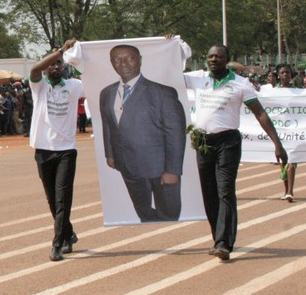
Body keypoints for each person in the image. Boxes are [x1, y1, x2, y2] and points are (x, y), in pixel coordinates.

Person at [182, 43, 288, 262]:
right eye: (210, 56)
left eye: (218, 57)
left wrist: (277, 143)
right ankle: (217, 239)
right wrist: (171, 45)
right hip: (202, 142)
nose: (213, 60)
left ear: (227, 59)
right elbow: (167, 71)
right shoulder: (197, 78)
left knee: (225, 191)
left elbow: (260, 114)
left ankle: (224, 243)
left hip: (227, 142)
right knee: (209, 193)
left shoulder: (241, 84)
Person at [98, 44, 186, 222]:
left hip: (160, 167)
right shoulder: (106, 93)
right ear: (111, 63)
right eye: (117, 59)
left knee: (169, 214)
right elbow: (107, 126)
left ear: (139, 60)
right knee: (143, 212)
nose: (123, 63)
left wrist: (172, 170)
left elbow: (176, 134)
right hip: (127, 165)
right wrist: (110, 154)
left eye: (129, 58)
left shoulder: (163, 93)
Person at [30, 40, 87, 261]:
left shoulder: (73, 85)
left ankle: (57, 243)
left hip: (66, 150)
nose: (55, 68)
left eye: (59, 64)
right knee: (52, 199)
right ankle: (68, 233)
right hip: (43, 150)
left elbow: (91, 78)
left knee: (63, 198)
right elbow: (35, 69)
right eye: (51, 64)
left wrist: (79, 55)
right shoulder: (39, 86)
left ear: (64, 67)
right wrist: (60, 51)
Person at [273, 64, 301, 202]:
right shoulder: (272, 92)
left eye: (288, 72)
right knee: (283, 161)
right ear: (278, 75)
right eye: (282, 72)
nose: (285, 75)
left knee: (292, 160)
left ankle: (290, 191)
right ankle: (286, 190)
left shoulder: (298, 92)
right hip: (278, 130)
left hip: (294, 130)